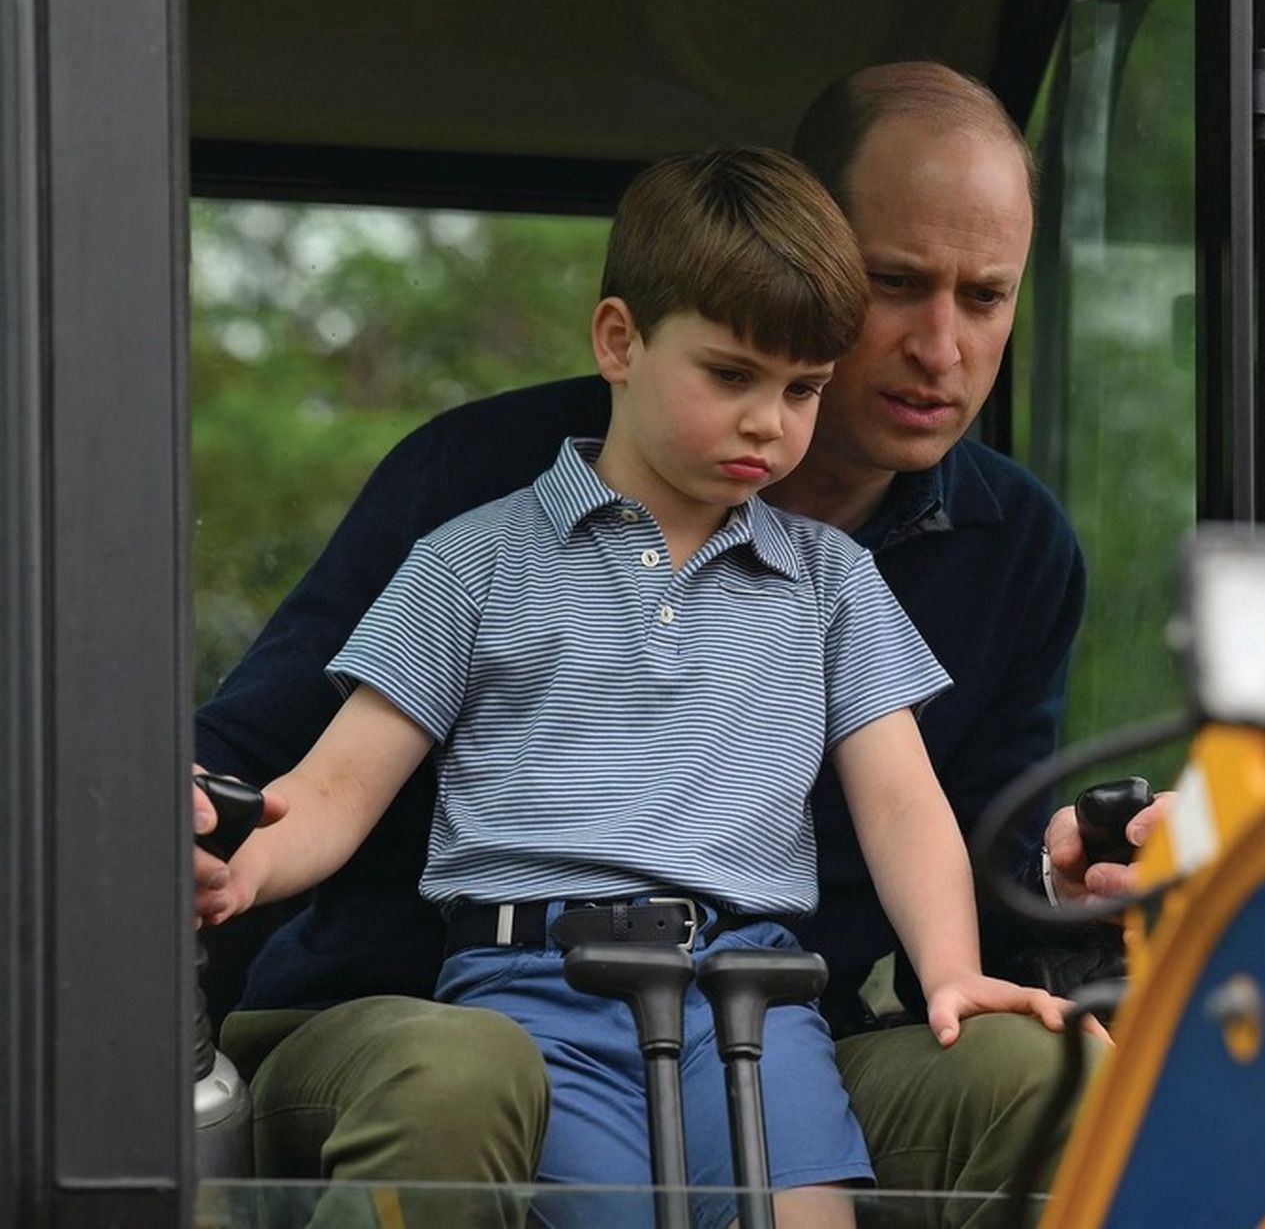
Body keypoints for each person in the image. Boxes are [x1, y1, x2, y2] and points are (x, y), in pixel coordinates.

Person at [194, 61, 1144, 1229]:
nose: (941, 345)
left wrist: (1049, 891)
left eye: (986, 296)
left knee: (1031, 1099)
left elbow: (929, 817)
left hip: (764, 998)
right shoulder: (472, 521)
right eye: (896, 284)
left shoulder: (905, 568)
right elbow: (299, 774)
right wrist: (219, 862)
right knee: (518, 1131)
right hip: (487, 997)